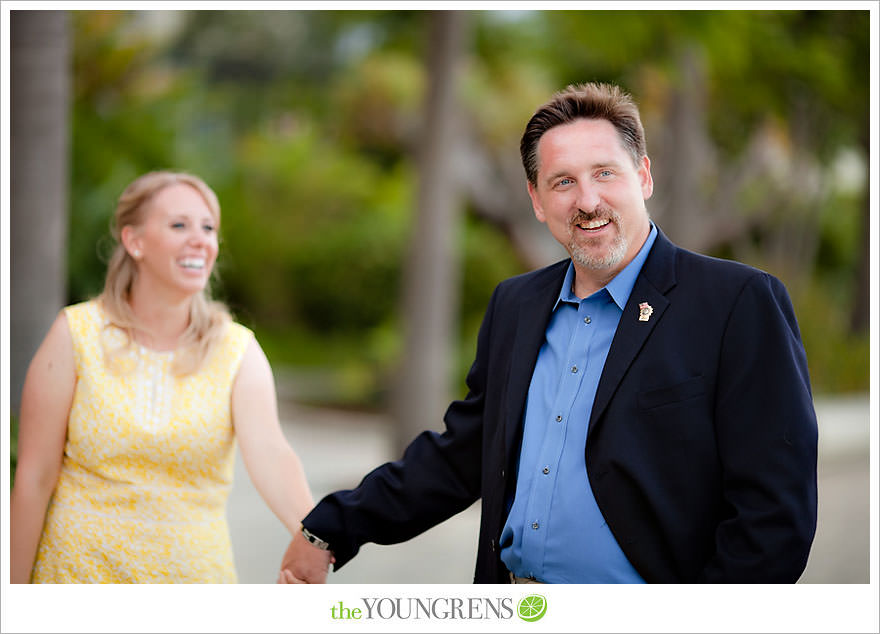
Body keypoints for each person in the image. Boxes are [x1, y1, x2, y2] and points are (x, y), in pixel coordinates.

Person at [278, 82, 818, 584]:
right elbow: (460, 455)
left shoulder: (737, 303)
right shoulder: (516, 305)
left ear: (645, 177)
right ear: (536, 200)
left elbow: (774, 517)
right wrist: (332, 526)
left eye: (605, 173)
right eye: (563, 182)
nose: (587, 200)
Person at [10, 170, 331, 583]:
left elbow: (272, 455)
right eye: (179, 225)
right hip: (77, 578)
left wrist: (317, 538)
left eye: (208, 227)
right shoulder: (75, 335)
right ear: (134, 241)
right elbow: (34, 478)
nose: (200, 239)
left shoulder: (237, 351)